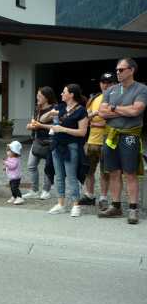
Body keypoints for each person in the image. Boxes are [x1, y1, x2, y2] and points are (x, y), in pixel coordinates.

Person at [98, 58, 147, 224]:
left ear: (131, 70)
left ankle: (133, 209)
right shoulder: (110, 90)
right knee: (113, 172)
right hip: (111, 135)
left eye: (121, 69)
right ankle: (116, 206)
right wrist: (122, 110)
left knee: (130, 173)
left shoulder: (141, 88)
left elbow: (136, 110)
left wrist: (112, 108)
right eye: (117, 70)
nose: (117, 72)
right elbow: (101, 112)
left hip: (129, 135)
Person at [33, 84, 88, 217]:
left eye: (64, 92)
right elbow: (42, 119)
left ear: (71, 95)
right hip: (57, 145)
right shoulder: (61, 107)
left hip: (71, 146)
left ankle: (76, 205)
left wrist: (63, 129)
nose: (62, 94)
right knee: (59, 176)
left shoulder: (81, 110)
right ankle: (61, 203)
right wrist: (51, 114)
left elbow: (82, 132)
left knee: (71, 176)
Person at [78, 72, 117, 210]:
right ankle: (89, 195)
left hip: (108, 140)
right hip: (92, 140)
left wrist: (95, 116)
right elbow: (85, 117)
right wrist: (92, 116)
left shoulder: (117, 98)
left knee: (105, 172)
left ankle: (103, 198)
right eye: (103, 82)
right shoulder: (94, 98)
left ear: (114, 84)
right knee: (88, 170)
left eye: (109, 82)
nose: (105, 85)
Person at [23, 87, 58, 200]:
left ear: (46, 97)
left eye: (39, 96)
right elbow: (34, 122)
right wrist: (30, 126)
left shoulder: (54, 109)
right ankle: (34, 190)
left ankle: (46, 191)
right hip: (37, 140)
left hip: (50, 141)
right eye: (37, 95)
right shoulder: (37, 108)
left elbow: (56, 126)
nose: (37, 98)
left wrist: (40, 126)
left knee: (48, 167)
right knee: (31, 165)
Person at [4, 140, 24, 205]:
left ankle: (19, 197)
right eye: (7, 150)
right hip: (12, 177)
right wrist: (5, 168)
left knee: (14, 187)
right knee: (12, 187)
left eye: (9, 151)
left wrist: (5, 163)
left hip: (16, 177)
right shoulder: (10, 158)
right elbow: (9, 166)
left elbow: (13, 166)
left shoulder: (16, 159)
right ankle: (14, 196)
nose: (7, 152)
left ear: (14, 152)